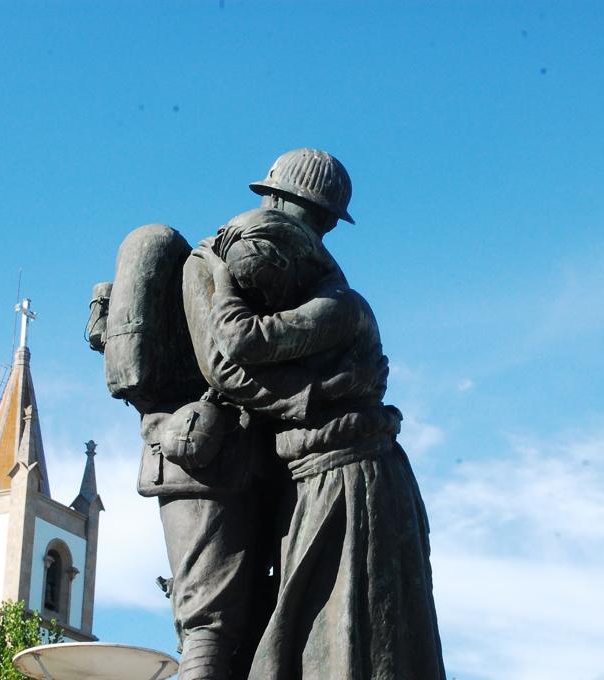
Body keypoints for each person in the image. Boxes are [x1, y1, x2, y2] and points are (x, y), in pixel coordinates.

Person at [185, 149, 447, 679]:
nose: (271, 233)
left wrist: (215, 268)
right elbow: (228, 369)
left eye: (287, 219)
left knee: (349, 638)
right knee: (305, 640)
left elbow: (240, 343)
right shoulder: (300, 285)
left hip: (352, 481)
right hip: (314, 480)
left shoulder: (337, 302)